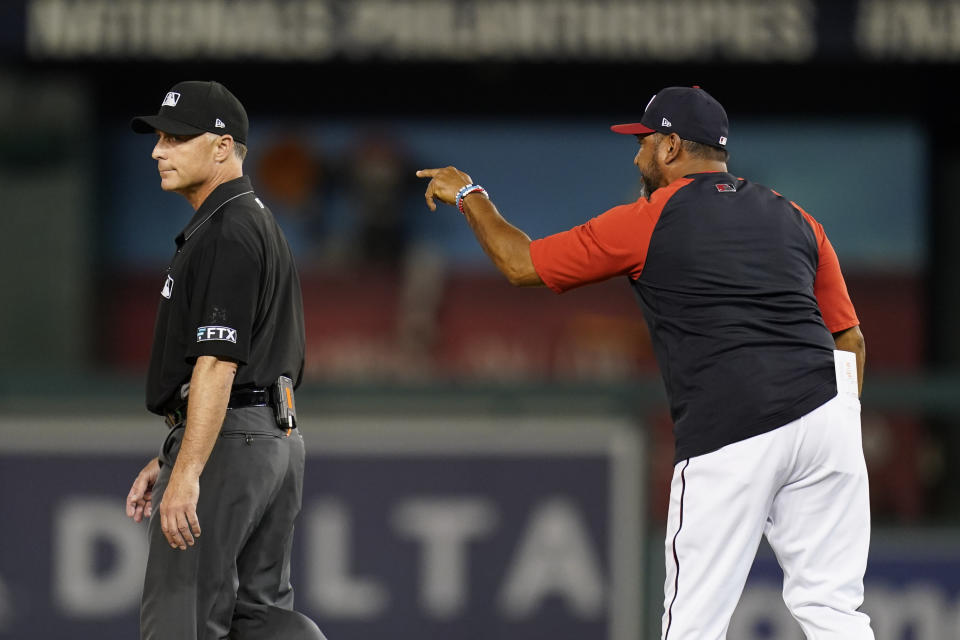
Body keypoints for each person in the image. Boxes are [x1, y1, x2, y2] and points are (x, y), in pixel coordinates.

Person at [417, 86, 874, 639]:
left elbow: (519, 264)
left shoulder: (651, 217)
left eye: (644, 142)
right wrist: (842, 414)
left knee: (692, 627)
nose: (637, 155)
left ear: (672, 147)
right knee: (834, 612)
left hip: (733, 431)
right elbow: (848, 337)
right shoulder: (798, 217)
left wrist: (469, 193)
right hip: (828, 421)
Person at [123, 80, 326, 640]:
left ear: (221, 146)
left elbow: (218, 363)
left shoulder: (228, 231)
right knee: (258, 620)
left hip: (233, 438)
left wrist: (188, 469)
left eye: (174, 138)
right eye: (159, 137)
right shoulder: (251, 220)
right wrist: (177, 451)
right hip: (271, 436)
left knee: (181, 618)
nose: (157, 151)